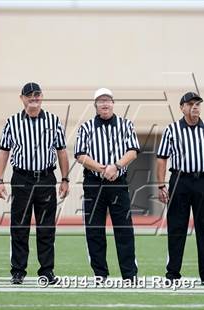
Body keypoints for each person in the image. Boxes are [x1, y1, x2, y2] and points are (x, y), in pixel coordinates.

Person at [0, 82, 69, 285]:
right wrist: (0, 179)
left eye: (37, 94)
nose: (33, 98)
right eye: (29, 95)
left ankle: (47, 271)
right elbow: (4, 152)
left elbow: (61, 151)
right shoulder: (12, 122)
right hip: (22, 178)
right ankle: (18, 270)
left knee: (46, 227)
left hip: (46, 178)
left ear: (42, 96)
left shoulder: (53, 121)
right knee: (19, 226)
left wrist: (65, 178)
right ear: (22, 98)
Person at [156, 91, 204, 286]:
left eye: (197, 104)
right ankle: (172, 274)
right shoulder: (171, 130)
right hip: (180, 180)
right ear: (182, 108)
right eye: (190, 104)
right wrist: (161, 184)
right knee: (177, 228)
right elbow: (162, 158)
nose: (195, 107)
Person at [74, 88, 139, 282]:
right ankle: (100, 274)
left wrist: (116, 166)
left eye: (108, 100)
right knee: (94, 230)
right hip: (94, 183)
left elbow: (133, 151)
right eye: (101, 101)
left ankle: (129, 274)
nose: (104, 104)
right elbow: (80, 155)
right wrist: (104, 169)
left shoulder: (126, 125)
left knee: (124, 229)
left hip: (118, 183)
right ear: (95, 105)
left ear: (113, 103)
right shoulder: (86, 127)